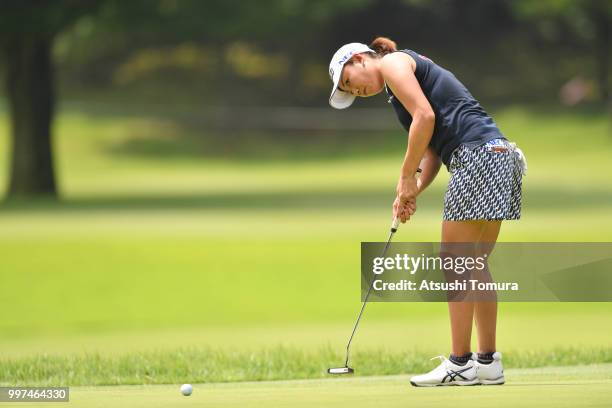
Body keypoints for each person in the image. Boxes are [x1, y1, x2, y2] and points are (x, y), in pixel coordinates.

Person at [327, 37, 526, 386]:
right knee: (473, 263)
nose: (353, 91)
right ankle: (488, 362)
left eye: (347, 81)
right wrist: (412, 191)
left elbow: (426, 116)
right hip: (499, 153)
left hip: (477, 156)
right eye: (347, 91)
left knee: (456, 262)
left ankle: (460, 362)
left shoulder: (392, 64)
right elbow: (433, 151)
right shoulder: (398, 88)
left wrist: (405, 176)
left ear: (359, 59)